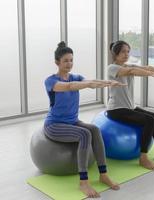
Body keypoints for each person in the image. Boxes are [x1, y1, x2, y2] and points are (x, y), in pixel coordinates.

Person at [44, 41, 125, 198]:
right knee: (84, 134)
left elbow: (91, 83)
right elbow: (70, 86)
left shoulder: (76, 77)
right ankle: (83, 182)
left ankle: (103, 174)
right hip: (54, 125)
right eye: (65, 60)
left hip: (72, 121)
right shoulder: (51, 81)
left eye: (71, 60)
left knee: (94, 129)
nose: (69, 63)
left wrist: (109, 82)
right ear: (57, 62)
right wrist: (88, 84)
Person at [107, 40, 154, 170]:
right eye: (123, 51)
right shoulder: (112, 68)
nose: (126, 54)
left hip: (129, 107)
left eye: (128, 51)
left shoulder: (127, 65)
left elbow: (146, 67)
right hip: (116, 109)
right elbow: (131, 71)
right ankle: (143, 158)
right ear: (115, 53)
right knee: (149, 120)